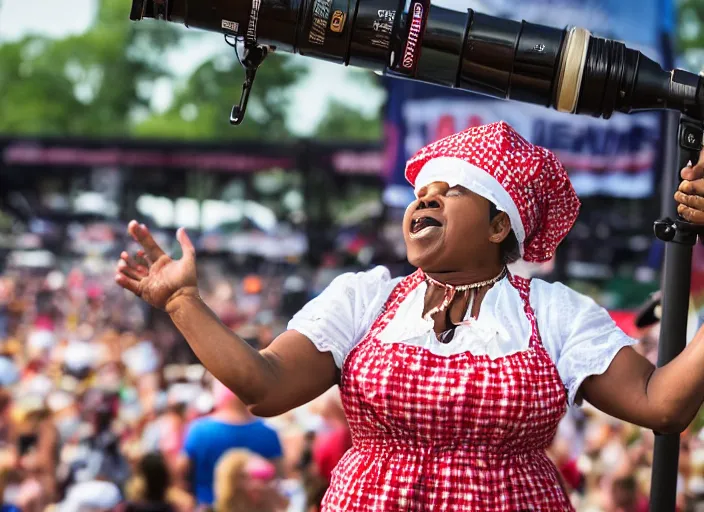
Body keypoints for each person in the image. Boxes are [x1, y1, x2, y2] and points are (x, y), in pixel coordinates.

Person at [115, 121, 704, 511]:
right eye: (422, 190)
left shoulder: (554, 313)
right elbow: (264, 386)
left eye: (451, 191)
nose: (424, 198)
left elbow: (662, 404)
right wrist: (181, 303)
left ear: (501, 225)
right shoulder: (364, 298)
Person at [177, 379, 283, 506]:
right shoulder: (267, 433)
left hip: (207, 506)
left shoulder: (198, 431)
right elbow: (279, 477)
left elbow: (180, 473)